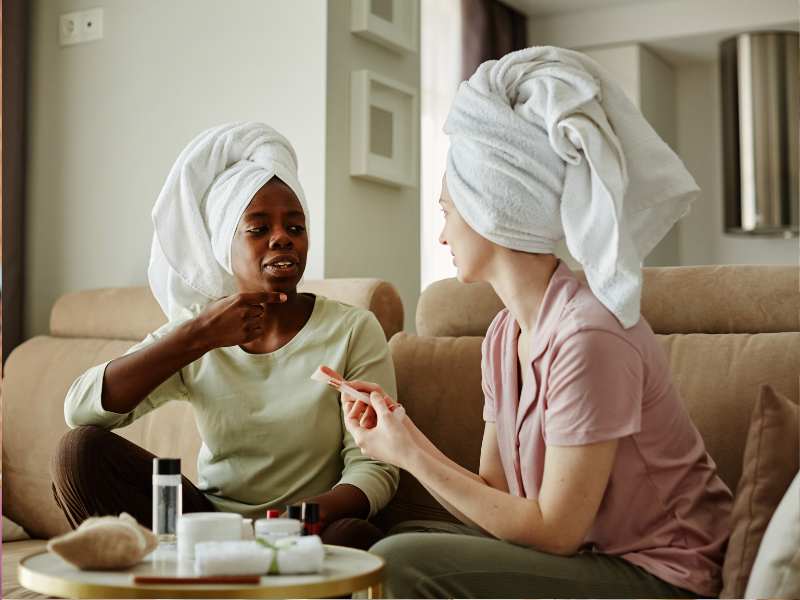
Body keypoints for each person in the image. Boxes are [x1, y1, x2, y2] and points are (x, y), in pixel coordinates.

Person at [341, 47, 733, 597]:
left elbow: (556, 531)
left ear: (492, 207)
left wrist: (408, 456)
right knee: (406, 537)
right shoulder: (504, 338)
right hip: (592, 561)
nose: (443, 235)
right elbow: (496, 499)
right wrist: (401, 435)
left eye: (448, 211)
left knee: (401, 558)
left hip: (664, 577)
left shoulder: (590, 335)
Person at [50, 122, 398, 550]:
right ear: (222, 246)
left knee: (358, 539)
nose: (282, 240)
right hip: (209, 526)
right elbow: (80, 411)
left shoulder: (351, 329)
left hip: (305, 528)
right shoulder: (203, 331)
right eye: (257, 228)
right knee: (79, 453)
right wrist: (196, 337)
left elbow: (375, 467)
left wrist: (286, 523)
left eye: (295, 227)